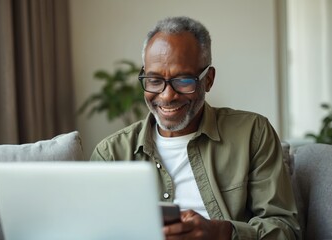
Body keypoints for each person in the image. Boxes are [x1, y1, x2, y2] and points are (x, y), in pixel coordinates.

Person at [90, 16, 300, 240]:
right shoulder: (111, 154)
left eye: (183, 80)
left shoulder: (252, 134)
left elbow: (285, 230)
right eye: (154, 80)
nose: (167, 95)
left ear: (208, 79)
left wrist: (221, 232)